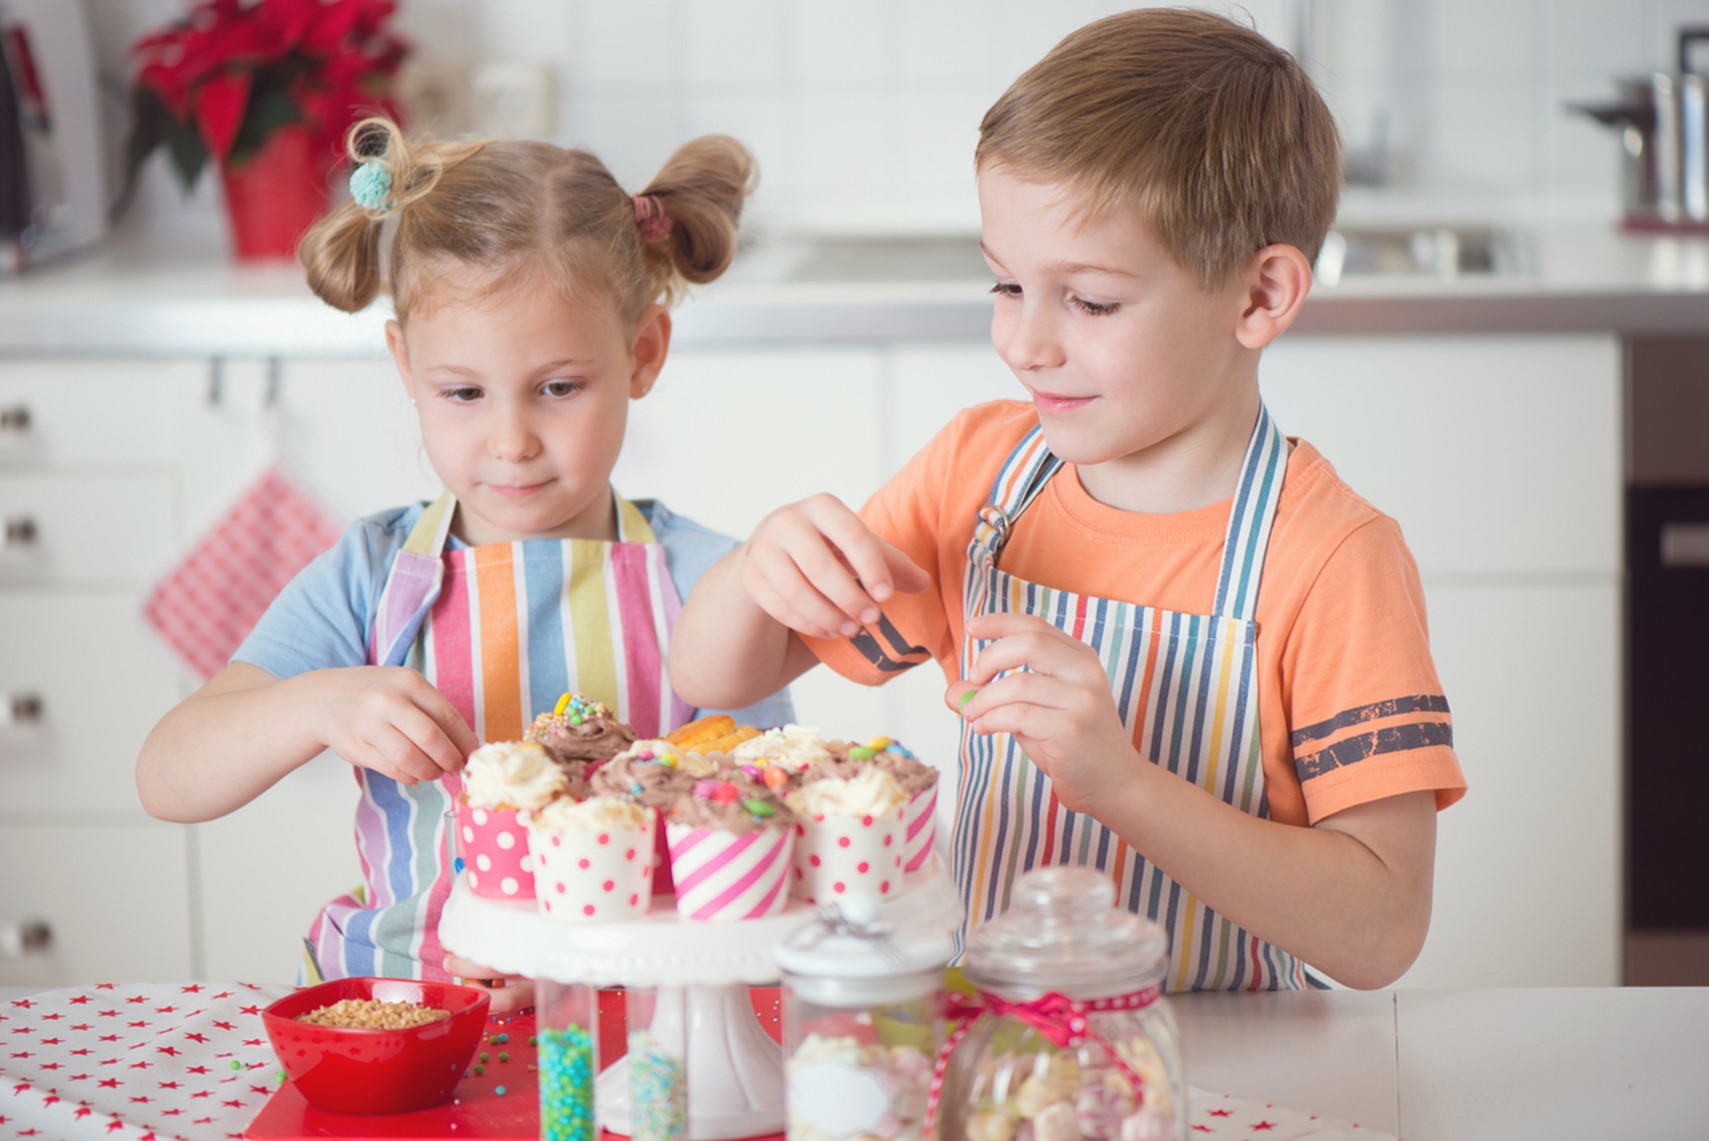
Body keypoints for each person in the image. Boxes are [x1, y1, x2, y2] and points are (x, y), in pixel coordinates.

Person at [668, 8, 1466, 991]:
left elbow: (1379, 931)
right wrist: (758, 569)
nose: (1023, 343)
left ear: (1258, 297)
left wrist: (1120, 783)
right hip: (999, 1056)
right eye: (1005, 286)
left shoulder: (1329, 557)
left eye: (1088, 302)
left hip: (1226, 1074)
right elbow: (713, 674)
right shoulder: (979, 477)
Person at [136, 118, 791, 1011]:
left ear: (642, 353)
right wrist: (320, 701)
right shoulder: (369, 576)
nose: (511, 440)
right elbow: (168, 775)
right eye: (463, 393)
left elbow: (760, 825)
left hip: (635, 1015)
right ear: (405, 366)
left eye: (558, 388)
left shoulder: (709, 583)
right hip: (403, 1007)